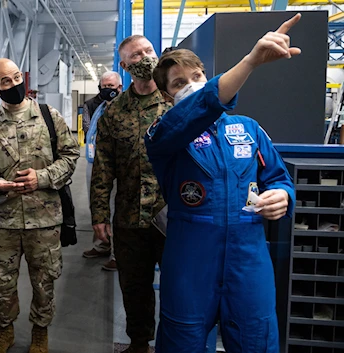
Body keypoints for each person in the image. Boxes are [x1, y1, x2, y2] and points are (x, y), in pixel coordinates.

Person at [146, 14, 300, 353]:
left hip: (248, 255)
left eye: (197, 76)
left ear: (206, 74)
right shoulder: (164, 135)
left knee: (255, 338)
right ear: (165, 95)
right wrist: (251, 61)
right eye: (178, 83)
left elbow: (277, 177)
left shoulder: (249, 129)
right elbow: (205, 104)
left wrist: (282, 196)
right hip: (190, 259)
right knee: (181, 340)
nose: (191, 84)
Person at [0, 58, 80, 353]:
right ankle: (4, 331)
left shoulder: (49, 117)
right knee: (1, 282)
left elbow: (70, 157)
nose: (14, 85)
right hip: (4, 221)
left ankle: (40, 333)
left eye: (17, 77)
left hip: (44, 220)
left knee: (44, 282)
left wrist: (43, 177)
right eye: (5, 82)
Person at [89, 35, 171, 353]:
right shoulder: (114, 112)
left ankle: (176, 341)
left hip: (172, 216)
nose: (146, 57)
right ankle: (139, 343)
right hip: (129, 217)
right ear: (125, 66)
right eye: (137, 55)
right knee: (134, 286)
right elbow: (103, 169)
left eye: (149, 51)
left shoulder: (175, 101)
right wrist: (99, 216)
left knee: (179, 285)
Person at [82, 71, 123, 271]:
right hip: (94, 161)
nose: (108, 90)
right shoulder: (95, 106)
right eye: (104, 86)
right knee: (97, 204)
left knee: (115, 207)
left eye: (111, 86)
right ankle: (101, 244)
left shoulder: (124, 108)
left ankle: (117, 253)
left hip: (117, 165)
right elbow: (88, 128)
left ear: (120, 88)